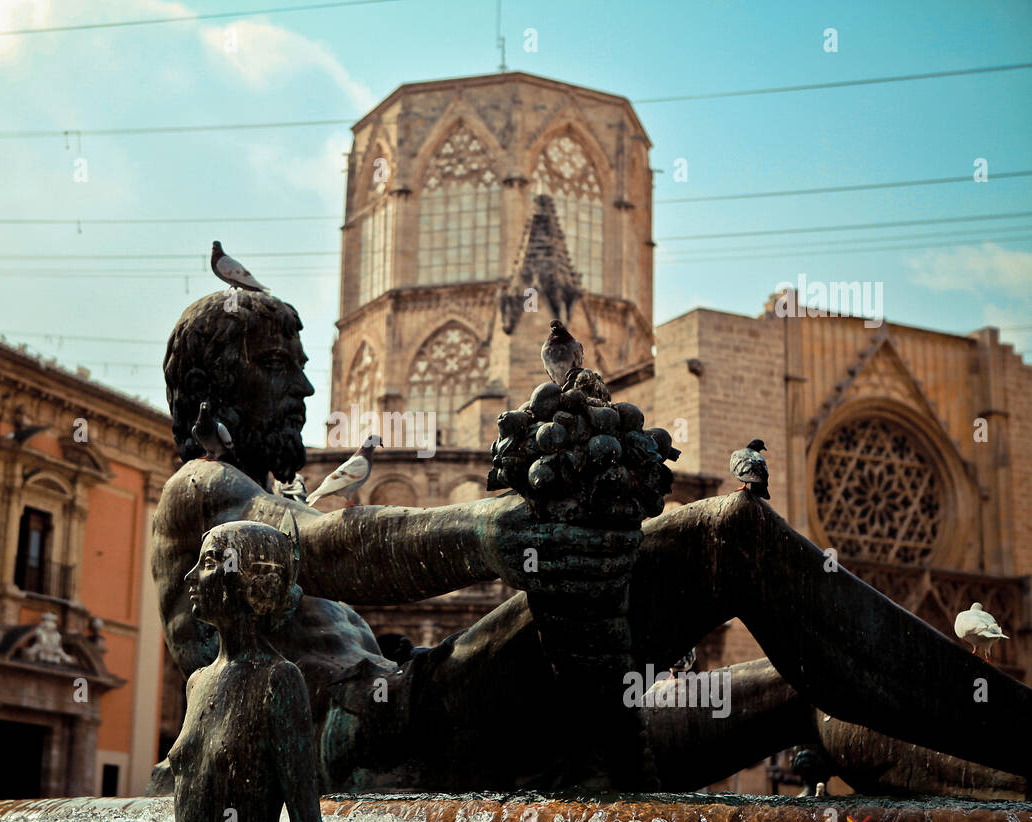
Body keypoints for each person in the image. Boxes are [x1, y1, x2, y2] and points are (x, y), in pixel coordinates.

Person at [154, 290, 1032, 794]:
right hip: (400, 743)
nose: (307, 382)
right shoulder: (200, 492)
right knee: (723, 535)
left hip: (444, 728)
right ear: (211, 385)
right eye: (278, 363)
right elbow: (330, 548)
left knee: (803, 694)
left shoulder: (259, 490)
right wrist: (488, 528)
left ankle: (1002, 792)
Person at [158, 519, 329, 822]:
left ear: (254, 580)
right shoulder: (197, 682)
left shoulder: (278, 680)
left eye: (207, 563)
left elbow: (305, 818)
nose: (189, 577)